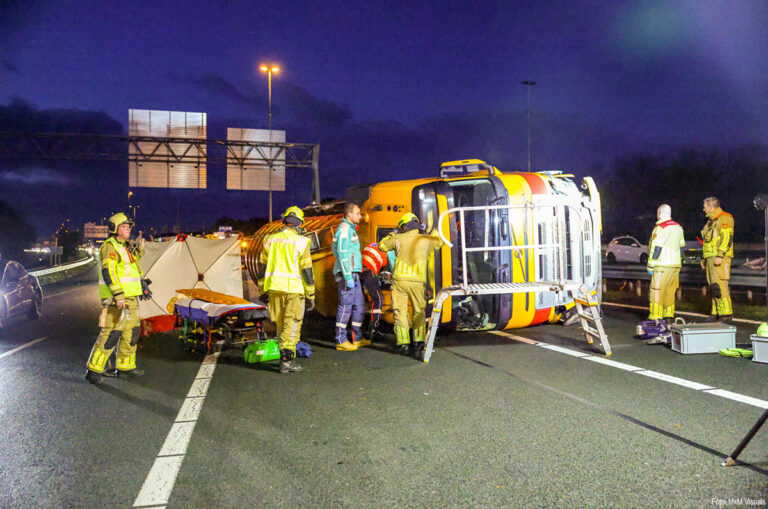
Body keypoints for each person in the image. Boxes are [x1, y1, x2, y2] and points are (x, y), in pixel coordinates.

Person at [85, 212, 146, 384]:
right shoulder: (109, 246)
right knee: (111, 334)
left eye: (129, 227)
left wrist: (139, 250)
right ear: (115, 229)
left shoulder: (124, 245)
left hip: (131, 298)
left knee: (131, 333)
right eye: (124, 227)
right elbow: (109, 272)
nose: (128, 230)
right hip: (117, 299)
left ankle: (125, 367)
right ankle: (94, 370)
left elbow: (130, 264)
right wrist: (118, 296)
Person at [259, 206, 315, 374]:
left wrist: (263, 290)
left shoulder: (269, 240)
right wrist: (311, 294)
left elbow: (262, 268)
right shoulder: (302, 241)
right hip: (294, 290)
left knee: (280, 324)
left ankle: (284, 357)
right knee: (292, 324)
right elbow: (307, 271)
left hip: (274, 289)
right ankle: (287, 362)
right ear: (299, 224)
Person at [379, 212, 444, 357]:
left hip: (400, 281)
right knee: (419, 312)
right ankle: (419, 343)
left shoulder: (397, 238)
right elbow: (439, 242)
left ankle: (403, 344)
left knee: (400, 312)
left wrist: (392, 233)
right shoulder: (425, 239)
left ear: (404, 226)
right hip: (417, 282)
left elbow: (382, 246)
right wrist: (429, 230)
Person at [644, 204, 685, 345]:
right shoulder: (678, 227)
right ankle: (669, 317)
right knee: (670, 291)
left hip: (662, 264)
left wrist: (650, 264)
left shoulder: (660, 227)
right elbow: (682, 246)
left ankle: (655, 318)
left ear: (660, 213)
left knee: (656, 291)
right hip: (675, 264)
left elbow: (657, 247)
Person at [332, 203, 369, 350]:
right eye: (358, 213)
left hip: (353, 274)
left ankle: (357, 338)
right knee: (345, 306)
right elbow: (342, 254)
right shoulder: (345, 230)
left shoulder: (350, 230)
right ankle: (340, 339)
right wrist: (347, 276)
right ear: (349, 215)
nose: (360, 216)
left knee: (359, 306)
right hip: (347, 274)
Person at [700, 197, 735, 323]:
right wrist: (704, 258)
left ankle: (726, 315)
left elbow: (727, 238)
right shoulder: (710, 221)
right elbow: (707, 242)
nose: (704, 209)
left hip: (719, 257)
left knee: (720, 285)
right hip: (710, 257)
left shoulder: (724, 218)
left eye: (705, 206)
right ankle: (716, 313)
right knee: (713, 286)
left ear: (711, 206)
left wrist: (720, 255)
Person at [360, 241, 396, 341]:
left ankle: (362, 328)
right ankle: (373, 329)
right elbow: (394, 268)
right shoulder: (390, 250)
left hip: (358, 271)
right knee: (378, 299)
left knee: (362, 302)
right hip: (369, 273)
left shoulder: (373, 244)